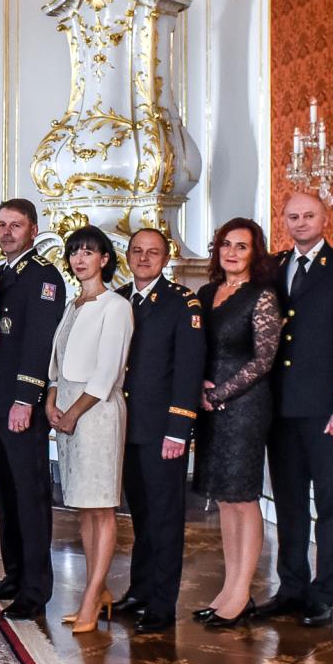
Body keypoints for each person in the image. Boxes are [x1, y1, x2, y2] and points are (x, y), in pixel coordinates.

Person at [260, 193, 333, 629]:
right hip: (280, 407)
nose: (301, 222)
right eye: (293, 216)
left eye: (309, 215)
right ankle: (291, 588)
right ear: (284, 221)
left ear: (325, 217)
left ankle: (324, 594)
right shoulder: (273, 267)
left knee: (328, 504)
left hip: (325, 409)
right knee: (288, 504)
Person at [112, 227, 206, 634]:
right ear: (127, 256)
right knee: (141, 515)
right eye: (137, 251)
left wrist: (179, 429)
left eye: (153, 252)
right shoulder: (118, 299)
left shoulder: (182, 303)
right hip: (124, 426)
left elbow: (188, 369)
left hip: (162, 430)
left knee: (165, 517)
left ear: (165, 259)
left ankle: (163, 604)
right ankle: (140, 590)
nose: (144, 258)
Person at [192, 217, 283, 630]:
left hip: (245, 406)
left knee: (243, 498)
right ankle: (229, 589)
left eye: (241, 246)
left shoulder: (262, 296)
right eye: (226, 244)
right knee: (225, 499)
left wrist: (219, 393)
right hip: (209, 404)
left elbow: (264, 359)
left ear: (254, 253)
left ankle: (242, 592)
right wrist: (199, 387)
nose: (231, 252)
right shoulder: (207, 292)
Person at [45, 226, 134, 635]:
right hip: (67, 409)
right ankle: (97, 591)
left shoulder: (115, 306)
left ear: (104, 259)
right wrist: (51, 399)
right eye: (74, 252)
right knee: (83, 505)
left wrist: (74, 413)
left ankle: (91, 598)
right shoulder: (72, 304)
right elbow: (56, 364)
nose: (80, 259)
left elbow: (106, 372)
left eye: (88, 252)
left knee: (101, 507)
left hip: (96, 412)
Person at [0, 198, 64, 620]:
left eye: (16, 225)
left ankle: (35, 589)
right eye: (2, 225)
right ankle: (14, 574)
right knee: (6, 493)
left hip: (19, 405)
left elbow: (38, 342)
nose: (7, 232)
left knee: (30, 497)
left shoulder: (43, 276)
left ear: (33, 230)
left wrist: (24, 399)